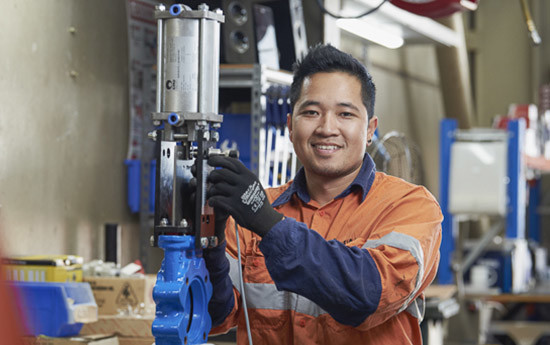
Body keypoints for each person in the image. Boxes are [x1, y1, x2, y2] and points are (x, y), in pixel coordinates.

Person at [204, 44, 442, 345]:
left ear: (370, 130)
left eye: (345, 113)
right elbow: (215, 315)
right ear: (290, 126)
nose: (327, 128)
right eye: (312, 112)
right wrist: (209, 242)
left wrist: (267, 222)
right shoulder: (248, 217)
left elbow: (367, 294)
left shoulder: (410, 207)